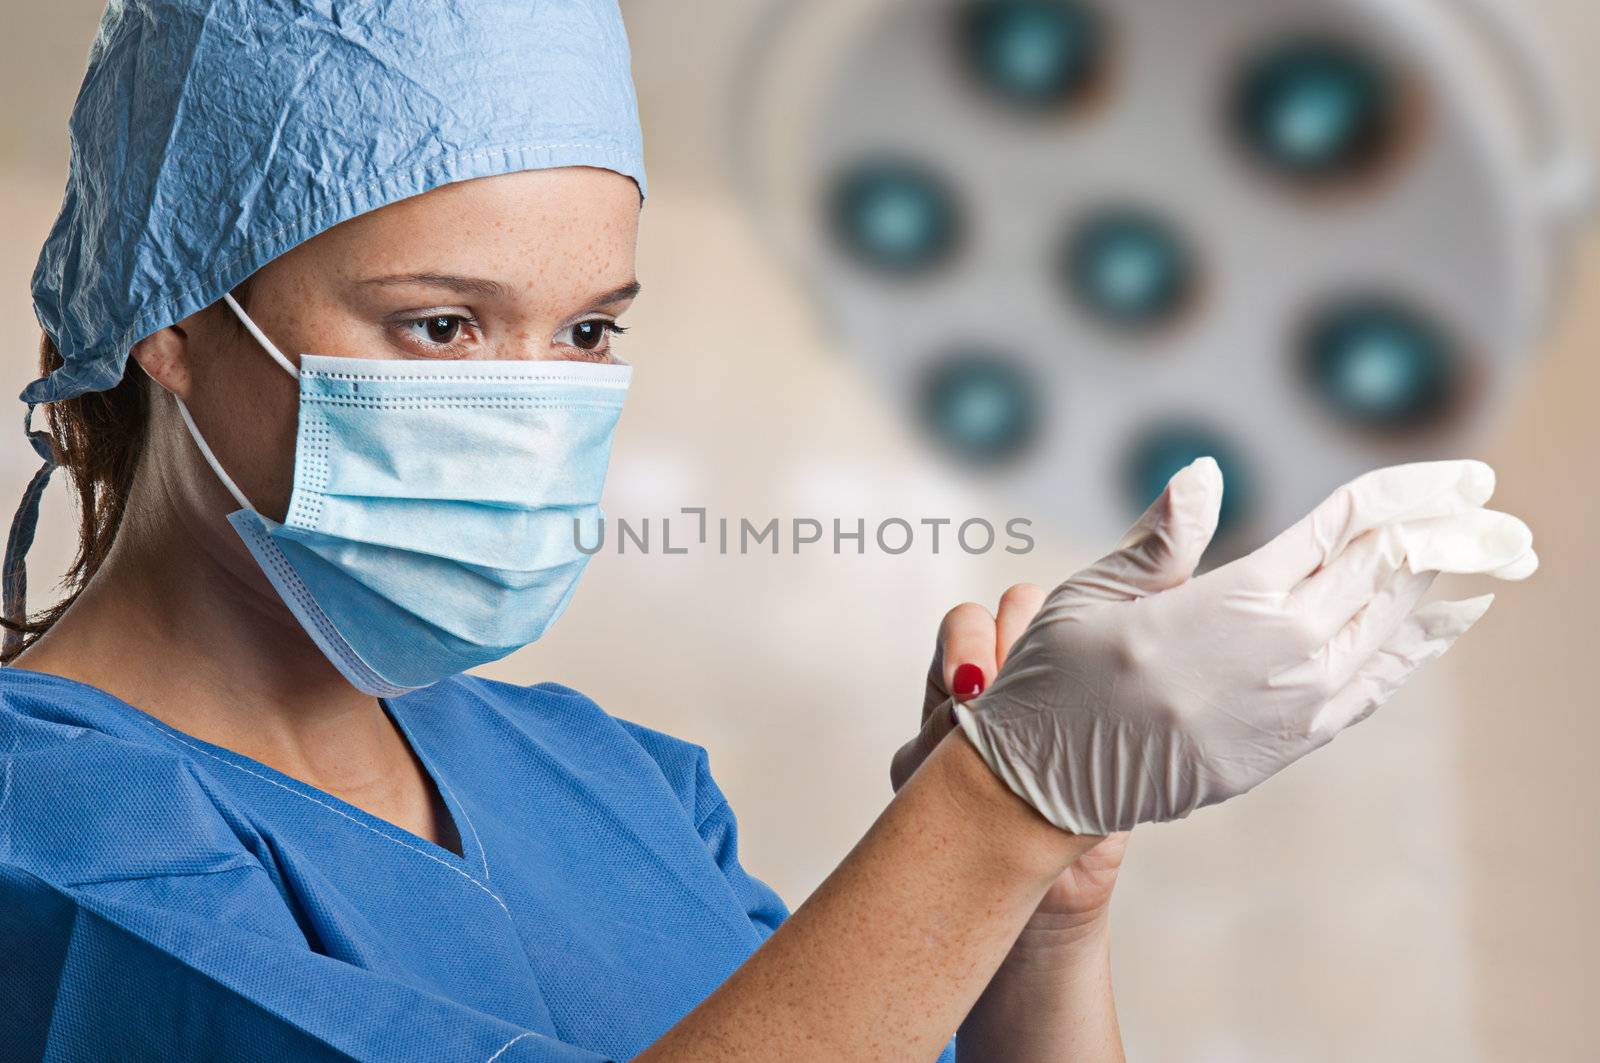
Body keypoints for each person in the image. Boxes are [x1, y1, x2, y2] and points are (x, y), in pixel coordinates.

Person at [0, 2, 1538, 1060]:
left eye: (591, 332)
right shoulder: (50, 845)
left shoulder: (613, 784)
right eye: (445, 326)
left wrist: (1042, 899)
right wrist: (989, 811)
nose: (534, 400)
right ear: (173, 324)